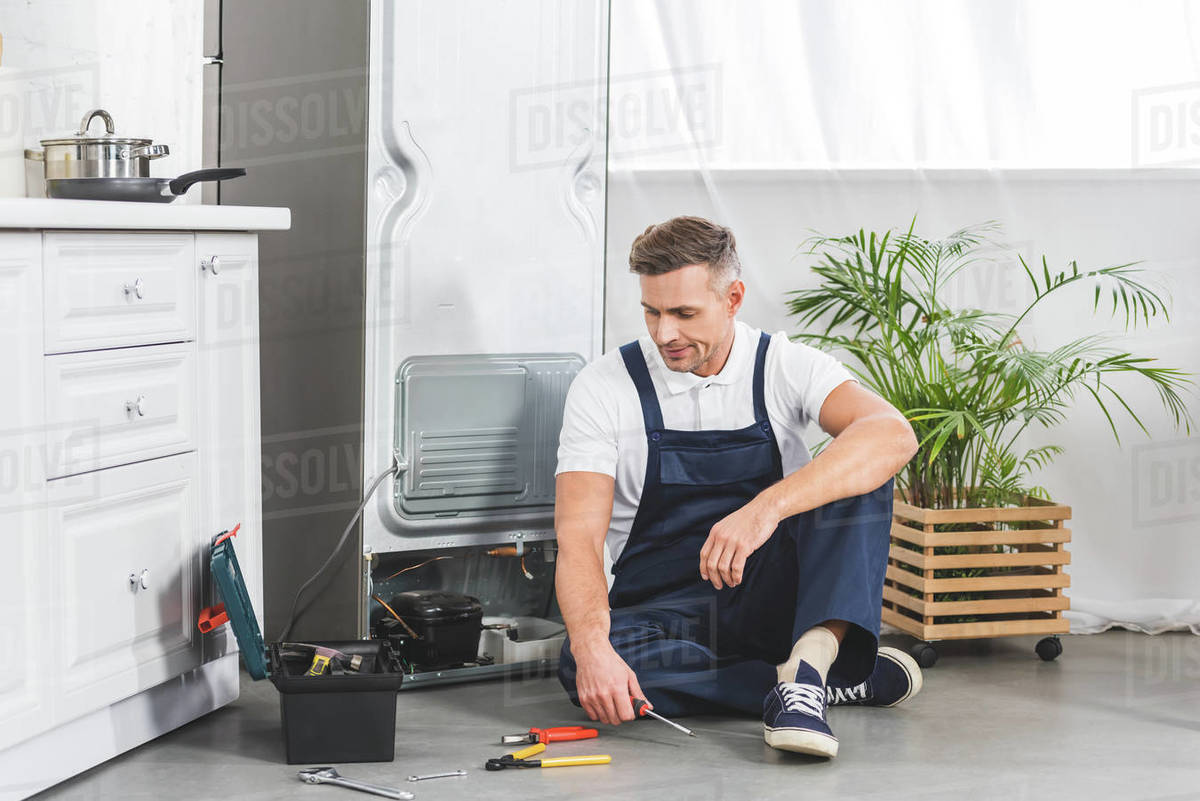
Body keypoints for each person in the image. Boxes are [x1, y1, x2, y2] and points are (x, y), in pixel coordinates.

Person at [554, 216, 922, 758]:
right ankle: (810, 683)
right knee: (579, 663)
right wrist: (591, 647)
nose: (664, 334)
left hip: (769, 597)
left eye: (684, 313)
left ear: (733, 299)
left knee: (860, 471)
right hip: (666, 610)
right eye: (652, 312)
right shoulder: (603, 387)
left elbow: (892, 434)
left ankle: (809, 665)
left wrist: (763, 509)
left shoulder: (781, 365)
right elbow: (579, 537)